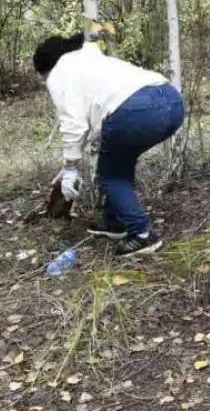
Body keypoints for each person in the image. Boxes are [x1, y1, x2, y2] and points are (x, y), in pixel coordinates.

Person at [34, 33, 183, 256]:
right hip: (172, 102)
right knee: (119, 161)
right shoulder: (91, 61)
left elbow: (74, 124)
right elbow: (91, 118)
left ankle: (142, 234)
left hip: (137, 111)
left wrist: (71, 168)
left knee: (111, 175)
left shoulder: (59, 73)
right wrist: (68, 165)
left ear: (46, 67)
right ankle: (115, 222)